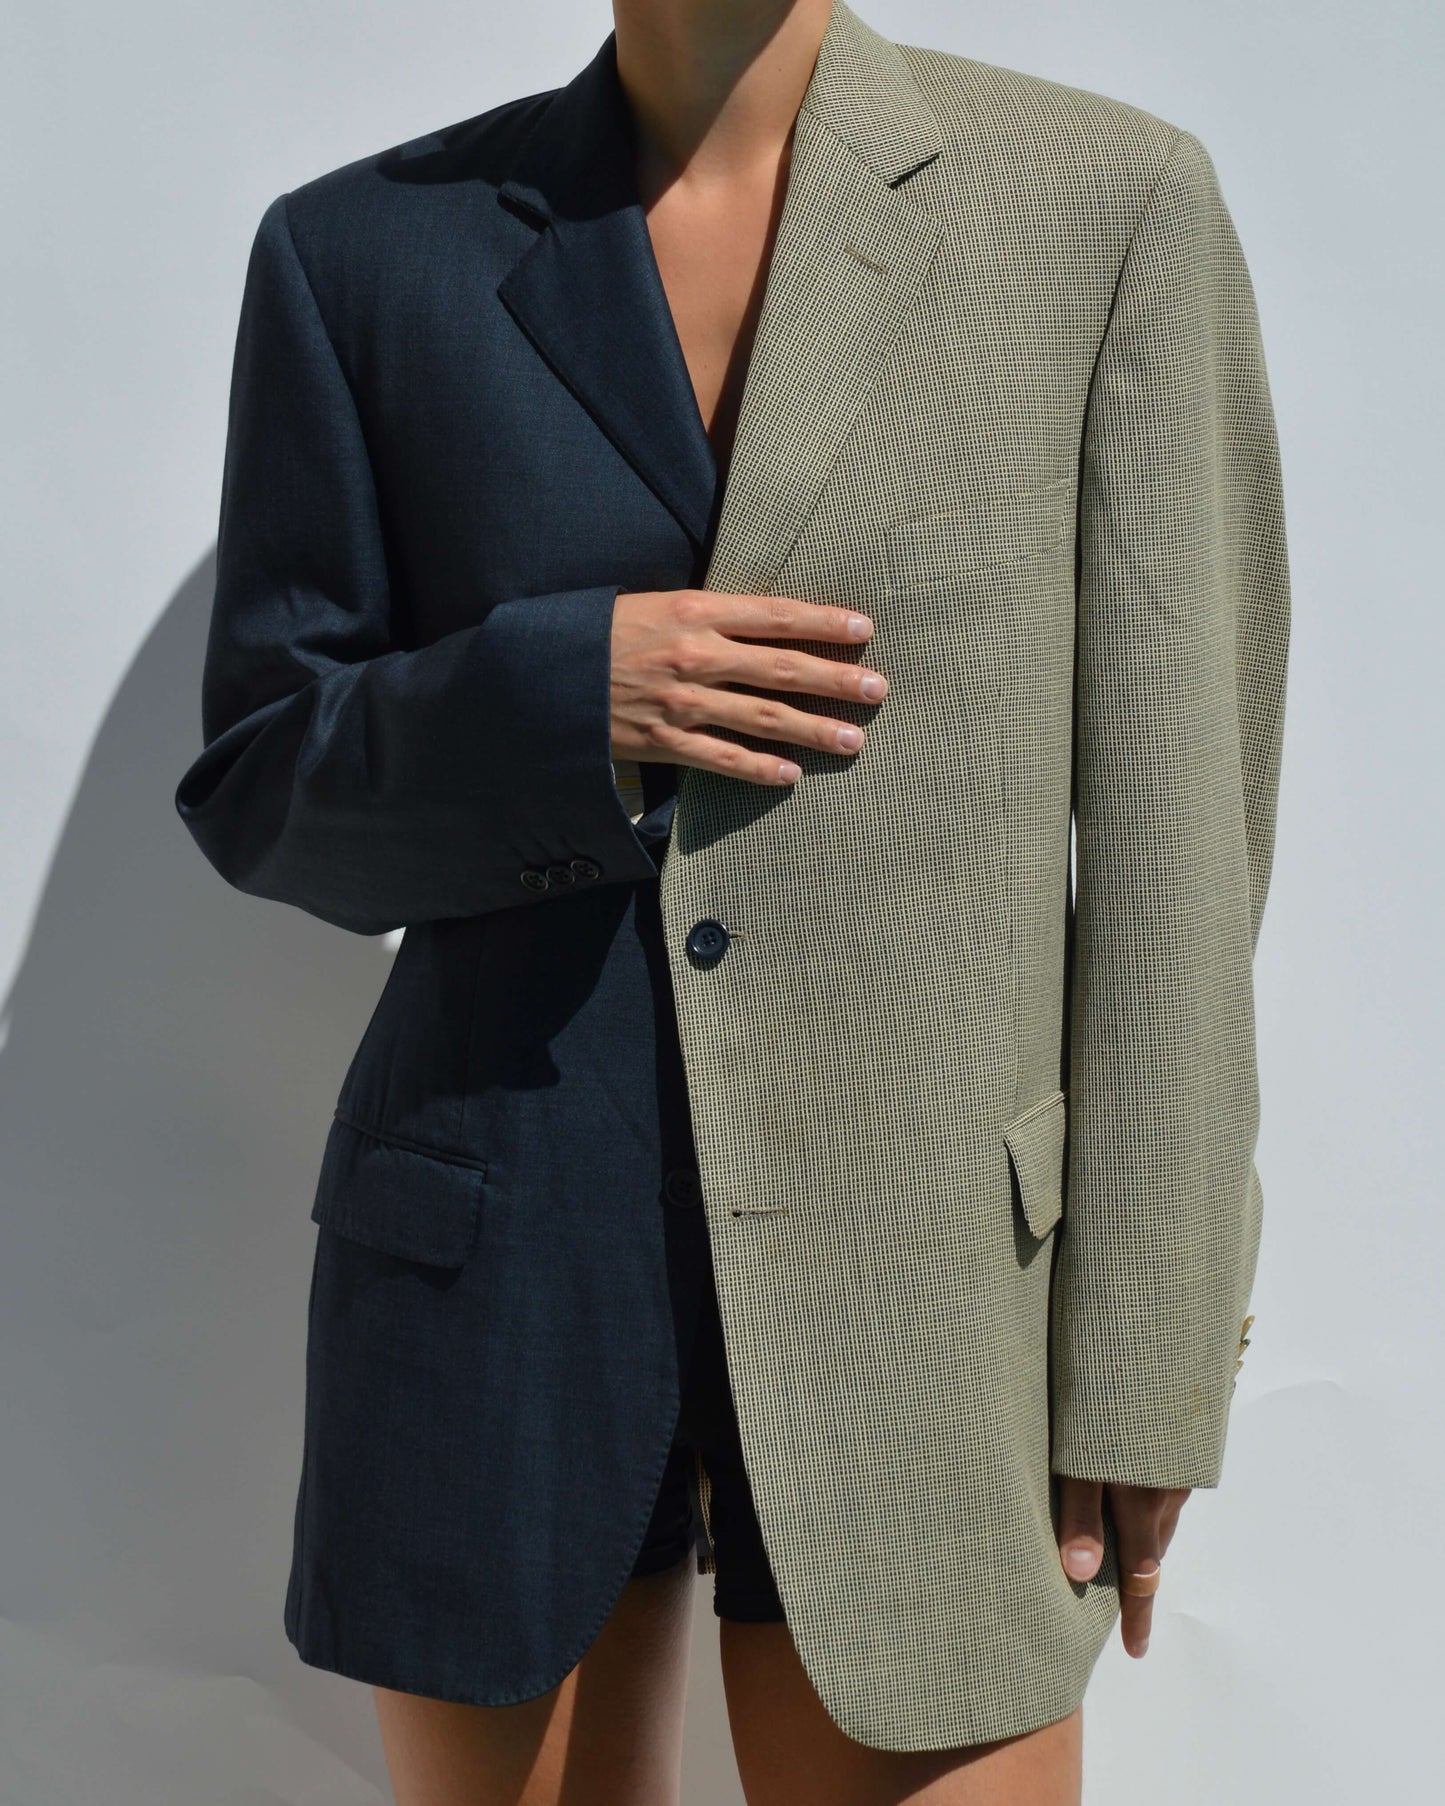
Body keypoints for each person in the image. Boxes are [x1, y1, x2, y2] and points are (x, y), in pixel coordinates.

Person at [174, 0, 1290, 1800]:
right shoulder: (362, 251)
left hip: (938, 1300)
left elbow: (1181, 843)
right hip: (499, 1274)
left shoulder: (1103, 207)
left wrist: (1147, 1355)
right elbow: (265, 792)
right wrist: (563, 697)